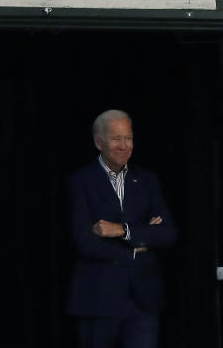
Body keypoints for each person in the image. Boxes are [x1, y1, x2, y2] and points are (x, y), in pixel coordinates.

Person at [66, 109, 176, 348]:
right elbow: (83, 240)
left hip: (142, 299)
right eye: (116, 139)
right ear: (99, 142)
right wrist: (137, 247)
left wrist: (122, 230)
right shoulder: (80, 182)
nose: (124, 145)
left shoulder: (147, 181)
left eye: (129, 138)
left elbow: (167, 233)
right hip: (98, 298)